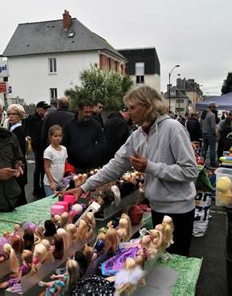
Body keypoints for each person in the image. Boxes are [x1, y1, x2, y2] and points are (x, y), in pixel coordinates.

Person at [65, 86, 198, 256]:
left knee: (176, 263)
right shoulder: (137, 135)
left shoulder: (173, 128)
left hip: (179, 211)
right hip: (158, 208)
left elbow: (190, 171)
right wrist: (84, 187)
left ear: (148, 106)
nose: (129, 112)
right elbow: (116, 165)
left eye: (132, 107)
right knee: (161, 260)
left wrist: (150, 167)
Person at [62, 99, 106, 173]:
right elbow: (63, 144)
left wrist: (94, 154)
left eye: (90, 112)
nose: (88, 114)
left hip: (91, 167)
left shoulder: (96, 125)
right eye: (86, 112)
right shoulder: (69, 125)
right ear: (79, 110)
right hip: (73, 167)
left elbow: (102, 142)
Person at [25, 101, 49, 197]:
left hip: (40, 145)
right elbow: (40, 131)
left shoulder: (39, 118)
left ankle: (40, 187)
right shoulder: (35, 119)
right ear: (38, 109)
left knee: (40, 167)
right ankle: (37, 188)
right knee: (39, 168)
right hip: (38, 146)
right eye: (43, 109)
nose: (45, 110)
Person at [7, 103, 28, 207]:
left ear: (19, 116)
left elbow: (20, 151)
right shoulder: (13, 129)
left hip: (18, 165)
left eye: (14, 114)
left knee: (19, 196)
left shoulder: (18, 131)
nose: (10, 116)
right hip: (17, 165)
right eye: (9, 114)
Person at [43, 125, 68, 196]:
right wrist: (51, 182)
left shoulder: (64, 149)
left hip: (61, 183)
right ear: (50, 137)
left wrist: (66, 177)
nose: (58, 138)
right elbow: (46, 167)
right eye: (55, 136)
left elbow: (65, 164)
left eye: (60, 136)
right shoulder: (48, 151)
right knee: (51, 203)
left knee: (61, 203)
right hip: (50, 183)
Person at [200, 102, 218, 168]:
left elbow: (201, 124)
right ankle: (212, 163)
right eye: (214, 107)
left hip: (204, 133)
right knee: (212, 149)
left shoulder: (203, 114)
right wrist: (216, 134)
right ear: (212, 107)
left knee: (204, 148)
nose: (215, 109)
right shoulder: (212, 115)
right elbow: (213, 127)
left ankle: (201, 162)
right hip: (210, 133)